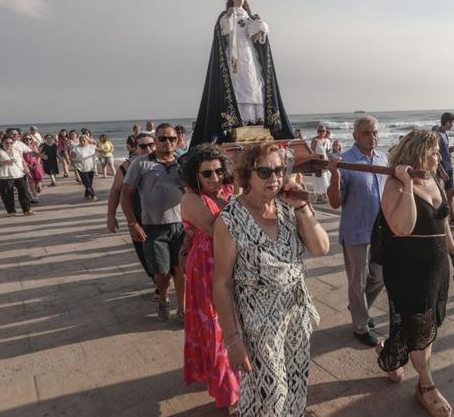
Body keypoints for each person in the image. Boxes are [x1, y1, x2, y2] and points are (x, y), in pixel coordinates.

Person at [213, 142, 329, 416]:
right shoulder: (230, 220)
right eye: (264, 172)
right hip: (259, 323)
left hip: (295, 315)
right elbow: (221, 283)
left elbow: (321, 248)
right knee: (271, 393)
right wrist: (232, 340)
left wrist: (302, 207)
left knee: (296, 382)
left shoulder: (289, 208)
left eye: (279, 170)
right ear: (246, 176)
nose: (275, 178)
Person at [376, 130, 454, 417]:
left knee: (426, 323)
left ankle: (389, 354)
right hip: (408, 268)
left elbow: (445, 224)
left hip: (436, 266)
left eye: (438, 152)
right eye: (434, 152)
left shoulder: (434, 179)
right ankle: (426, 386)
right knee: (420, 328)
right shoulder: (394, 184)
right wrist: (405, 183)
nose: (439, 157)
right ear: (417, 153)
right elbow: (403, 227)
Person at [189, 0, 295, 145]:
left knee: (254, 84)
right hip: (234, 57)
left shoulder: (249, 16)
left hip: (249, 56)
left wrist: (260, 28)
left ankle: (256, 123)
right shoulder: (226, 14)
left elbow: (257, 35)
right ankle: (238, 126)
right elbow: (223, 31)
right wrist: (229, 17)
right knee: (238, 86)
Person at [180, 144, 240, 415]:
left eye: (219, 171)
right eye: (207, 174)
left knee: (236, 327)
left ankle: (238, 380)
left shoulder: (227, 191)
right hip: (206, 269)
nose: (215, 178)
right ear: (195, 175)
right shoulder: (191, 199)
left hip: (232, 265)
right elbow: (218, 230)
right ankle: (229, 396)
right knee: (217, 330)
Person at [326, 116, 387, 347]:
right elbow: (334, 202)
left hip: (381, 231)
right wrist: (335, 176)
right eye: (366, 133)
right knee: (357, 282)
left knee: (379, 276)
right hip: (355, 231)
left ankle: (357, 307)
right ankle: (360, 326)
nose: (373, 137)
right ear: (355, 136)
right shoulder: (346, 161)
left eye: (375, 132)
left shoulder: (383, 158)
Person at [122, 124, 186, 322]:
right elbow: (125, 194)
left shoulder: (184, 163)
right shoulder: (140, 164)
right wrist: (133, 224)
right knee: (161, 271)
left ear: (178, 140)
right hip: (153, 226)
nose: (168, 143)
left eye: (172, 139)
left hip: (183, 227)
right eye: (162, 139)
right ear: (155, 140)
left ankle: (182, 308)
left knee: (181, 270)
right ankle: (164, 298)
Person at [107, 134, 157, 297]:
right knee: (145, 253)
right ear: (135, 148)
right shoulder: (126, 167)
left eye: (151, 145)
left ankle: (164, 281)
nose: (148, 149)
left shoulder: (167, 163)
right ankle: (158, 283)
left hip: (164, 219)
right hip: (138, 219)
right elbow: (115, 191)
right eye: (143, 146)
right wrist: (111, 216)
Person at [433, 113, 454, 225]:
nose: (453, 124)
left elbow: (448, 150)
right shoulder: (437, 134)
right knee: (440, 195)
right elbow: (434, 153)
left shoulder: (444, 134)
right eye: (452, 122)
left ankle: (452, 218)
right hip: (440, 169)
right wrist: (441, 170)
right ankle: (442, 220)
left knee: (451, 193)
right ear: (446, 121)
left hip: (448, 167)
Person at [0, 136, 34, 216]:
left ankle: (27, 210)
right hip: (5, 176)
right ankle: (11, 211)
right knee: (7, 194)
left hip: (19, 174)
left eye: (11, 143)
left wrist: (26, 168)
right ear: (2, 143)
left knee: (24, 191)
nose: (9, 144)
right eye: (6, 143)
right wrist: (5, 162)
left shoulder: (16, 151)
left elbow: (22, 161)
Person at [71, 135, 98, 201]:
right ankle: (93, 195)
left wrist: (92, 141)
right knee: (87, 182)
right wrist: (75, 160)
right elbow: (72, 157)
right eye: (81, 141)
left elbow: (99, 148)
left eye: (84, 141)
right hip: (81, 168)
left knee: (89, 183)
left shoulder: (92, 147)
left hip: (91, 167)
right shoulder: (76, 148)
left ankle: (86, 195)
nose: (82, 142)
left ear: (87, 141)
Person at [310, 125, 333, 203]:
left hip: (325, 161)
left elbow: (329, 152)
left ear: (325, 132)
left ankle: (325, 194)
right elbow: (312, 151)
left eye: (323, 131)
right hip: (317, 161)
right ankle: (319, 194)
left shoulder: (328, 141)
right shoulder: (315, 140)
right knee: (318, 178)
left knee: (326, 177)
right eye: (320, 131)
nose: (321, 132)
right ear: (317, 132)